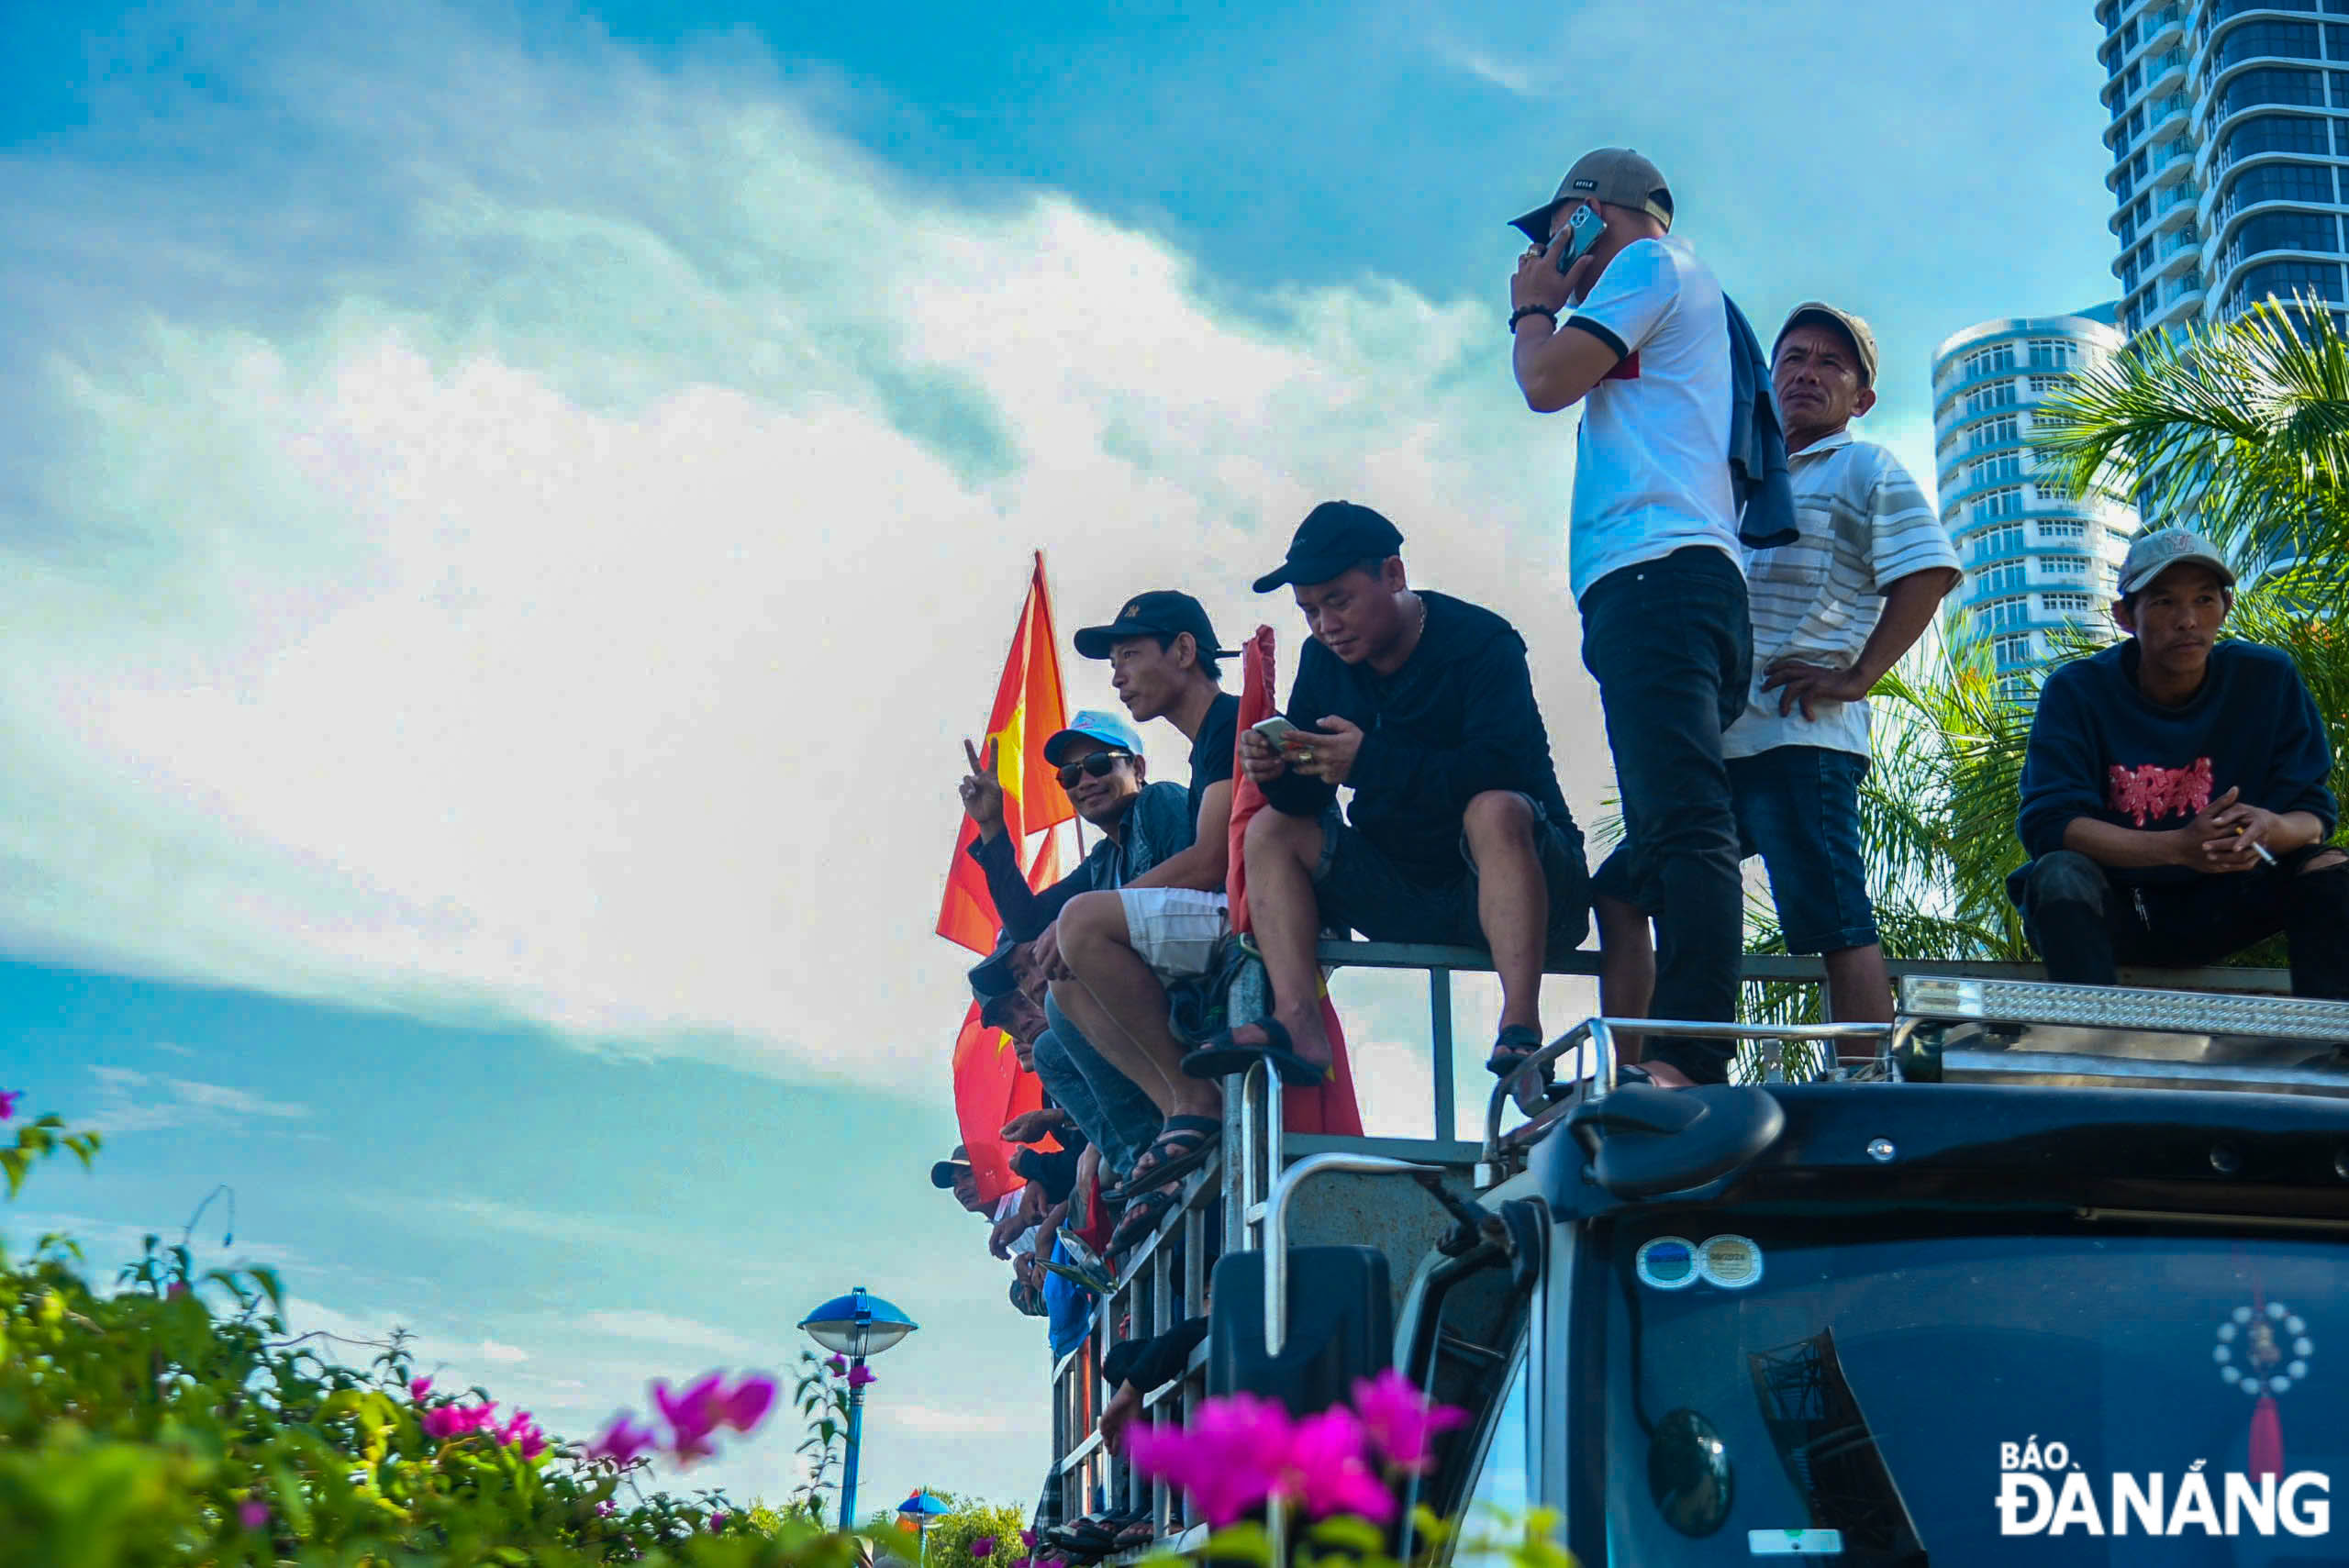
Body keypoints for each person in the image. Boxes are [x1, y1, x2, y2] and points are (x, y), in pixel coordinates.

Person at [1595, 303, 1959, 1050]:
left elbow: (1927, 571)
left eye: (1830, 363)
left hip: (1801, 737)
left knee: (1832, 918)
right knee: (1625, 887)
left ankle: (1865, 1090)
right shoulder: (1734, 479)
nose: (1806, 373)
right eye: (1792, 358)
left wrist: (1858, 674)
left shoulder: (1864, 465)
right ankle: (1628, 1066)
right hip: (1719, 743)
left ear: (1862, 397)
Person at [1187, 501, 1589, 1104]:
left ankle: (1520, 1027)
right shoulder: (1323, 660)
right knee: (1270, 828)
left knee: (1495, 808)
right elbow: (1307, 794)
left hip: (1526, 884)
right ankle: (1299, 1024)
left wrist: (1369, 760)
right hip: (1405, 889)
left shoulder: (1482, 642)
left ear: (1394, 576)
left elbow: (1504, 766)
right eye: (1309, 610)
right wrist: (1275, 770)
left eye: (1338, 600)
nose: (1325, 624)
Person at [1506, 147, 1749, 1088]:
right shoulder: (1669, 289)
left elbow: (1541, 380)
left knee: (1687, 823)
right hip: (1660, 580)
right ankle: (1646, 1055)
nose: (1546, 252)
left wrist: (1533, 304)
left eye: (1554, 231)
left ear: (1590, 212)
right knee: (1636, 863)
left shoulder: (1651, 263)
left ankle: (1691, 1059)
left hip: (1658, 575)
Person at [2011, 528, 2349, 995]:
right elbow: (2049, 825)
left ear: (2226, 607)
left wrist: (2268, 827)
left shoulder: (2267, 678)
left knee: (2331, 869)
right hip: (2117, 907)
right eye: (2165, 603)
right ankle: (2091, 1046)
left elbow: (2314, 818)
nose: (2188, 620)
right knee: (2058, 875)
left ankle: (2334, 1045)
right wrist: (2179, 847)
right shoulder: (2076, 691)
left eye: (2205, 600)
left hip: (2228, 899)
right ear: (2125, 615)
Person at [1042, 593, 1243, 1255]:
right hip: (1207, 935)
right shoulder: (1204, 745)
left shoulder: (1209, 747)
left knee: (1080, 927)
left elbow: (1211, 861)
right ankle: (1168, 1121)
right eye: (1071, 773)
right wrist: (991, 835)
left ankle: (1190, 1101)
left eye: (1130, 654)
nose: (1119, 672)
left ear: (1183, 652)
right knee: (1060, 989)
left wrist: (1097, 916)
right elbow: (1031, 922)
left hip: (1247, 932)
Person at [956, 710, 1195, 942]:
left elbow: (1198, 877)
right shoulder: (1103, 860)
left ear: (1138, 769)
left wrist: (1087, 917)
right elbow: (1027, 923)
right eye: (1070, 774)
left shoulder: (1158, 800)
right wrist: (991, 824)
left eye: (1099, 764)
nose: (1085, 782)